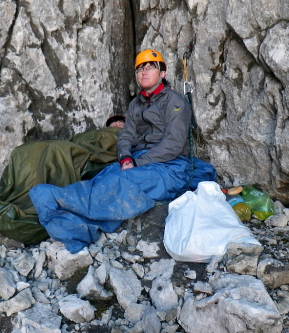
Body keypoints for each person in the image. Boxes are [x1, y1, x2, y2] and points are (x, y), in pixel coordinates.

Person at [29, 49, 216, 254]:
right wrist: (126, 157)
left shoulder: (175, 102)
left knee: (125, 183)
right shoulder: (136, 104)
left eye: (150, 67)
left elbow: (173, 144)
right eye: (139, 69)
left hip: (170, 165)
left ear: (162, 73)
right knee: (105, 177)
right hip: (139, 159)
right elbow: (126, 136)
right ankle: (73, 222)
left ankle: (63, 202)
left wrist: (138, 163)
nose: (143, 72)